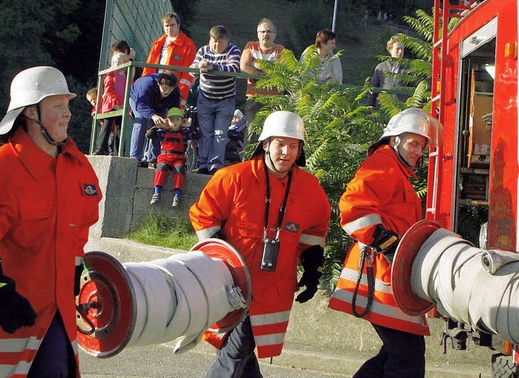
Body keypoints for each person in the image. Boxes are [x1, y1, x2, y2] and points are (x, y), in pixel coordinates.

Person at [0, 66, 102, 377]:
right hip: (2, 317)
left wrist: (76, 271)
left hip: (55, 315)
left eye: (68, 104)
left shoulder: (79, 167)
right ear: (31, 112)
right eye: (57, 105)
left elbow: (78, 231)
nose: (68, 113)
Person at [189, 111, 331, 378]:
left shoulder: (309, 188)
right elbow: (204, 215)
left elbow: (315, 230)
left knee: (238, 351)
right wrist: (220, 258)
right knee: (235, 353)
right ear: (265, 143)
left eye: (293, 145)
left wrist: (313, 269)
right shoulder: (233, 178)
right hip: (232, 284)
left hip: (274, 288)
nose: (286, 152)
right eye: (280, 144)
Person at [328, 108, 443, 378]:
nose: (418, 151)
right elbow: (352, 207)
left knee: (397, 354)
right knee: (407, 357)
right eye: (413, 143)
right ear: (394, 140)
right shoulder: (383, 164)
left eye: (422, 146)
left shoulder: (394, 168)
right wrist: (387, 243)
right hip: (380, 277)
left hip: (387, 277)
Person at [192, 25, 241, 174]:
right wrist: (198, 66)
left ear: (227, 41)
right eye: (213, 41)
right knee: (205, 133)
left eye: (220, 42)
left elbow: (233, 69)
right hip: (205, 98)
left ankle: (216, 166)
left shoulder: (234, 51)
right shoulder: (203, 50)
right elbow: (192, 70)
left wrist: (213, 66)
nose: (216, 45)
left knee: (220, 134)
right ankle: (203, 165)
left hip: (225, 100)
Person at [240, 18, 285, 147]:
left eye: (269, 31)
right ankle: (248, 163)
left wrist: (257, 65)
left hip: (275, 100)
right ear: (258, 33)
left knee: (272, 136)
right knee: (252, 134)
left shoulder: (281, 50)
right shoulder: (250, 46)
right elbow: (243, 66)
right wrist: (267, 71)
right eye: (263, 31)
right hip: (254, 99)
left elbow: (282, 70)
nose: (266, 34)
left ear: (275, 35)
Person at [146, 107, 200, 207]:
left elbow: (197, 136)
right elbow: (149, 135)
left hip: (179, 158)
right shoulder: (163, 131)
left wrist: (189, 126)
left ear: (182, 121)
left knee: (180, 170)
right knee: (160, 168)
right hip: (165, 157)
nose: (174, 122)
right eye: (171, 120)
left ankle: (177, 194)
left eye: (177, 119)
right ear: (167, 121)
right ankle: (157, 192)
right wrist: (157, 126)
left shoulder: (185, 132)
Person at [142, 12, 197, 108]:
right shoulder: (158, 43)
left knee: (171, 120)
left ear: (178, 25)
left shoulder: (188, 45)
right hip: (155, 86)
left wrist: (180, 93)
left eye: (172, 25)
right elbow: (149, 66)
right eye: (166, 25)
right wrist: (144, 85)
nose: (169, 28)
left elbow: (188, 73)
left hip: (174, 90)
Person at [129, 71, 180, 167]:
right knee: (141, 121)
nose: (167, 92)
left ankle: (152, 158)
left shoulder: (176, 90)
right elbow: (141, 105)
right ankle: (135, 158)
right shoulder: (146, 84)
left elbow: (174, 109)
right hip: (139, 100)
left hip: (160, 105)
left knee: (159, 126)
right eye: (164, 88)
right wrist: (153, 115)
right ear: (159, 84)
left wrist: (170, 121)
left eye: (170, 89)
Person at [94, 52, 128, 155]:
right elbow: (109, 91)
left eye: (119, 62)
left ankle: (120, 151)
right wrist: (119, 101)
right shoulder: (110, 76)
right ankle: (100, 148)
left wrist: (125, 103)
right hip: (111, 104)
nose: (116, 64)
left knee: (120, 128)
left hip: (121, 105)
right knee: (107, 126)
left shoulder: (126, 77)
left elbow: (128, 89)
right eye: (114, 62)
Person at [367, 35, 409, 107]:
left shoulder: (409, 69)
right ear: (390, 50)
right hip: (382, 109)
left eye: (402, 49)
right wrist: (369, 109)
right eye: (398, 49)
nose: (400, 52)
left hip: (401, 110)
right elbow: (373, 90)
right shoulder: (380, 67)